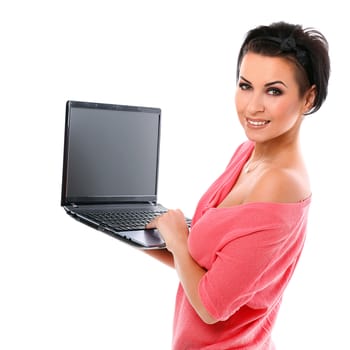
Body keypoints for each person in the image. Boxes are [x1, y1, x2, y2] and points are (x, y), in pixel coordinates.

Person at [145, 21, 330, 349]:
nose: (252, 106)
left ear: (308, 98)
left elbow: (211, 307)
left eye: (274, 91)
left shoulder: (280, 185)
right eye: (246, 85)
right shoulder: (247, 154)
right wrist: (143, 236)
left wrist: (176, 236)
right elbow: (207, 265)